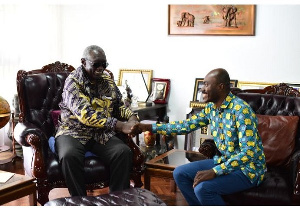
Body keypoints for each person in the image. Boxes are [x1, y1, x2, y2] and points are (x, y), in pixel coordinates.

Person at [131, 68, 266, 205]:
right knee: (179, 173)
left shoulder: (241, 110)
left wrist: (215, 171)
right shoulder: (211, 108)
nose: (202, 89)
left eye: (207, 84)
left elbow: (248, 153)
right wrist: (149, 127)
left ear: (220, 87)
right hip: (224, 161)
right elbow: (185, 126)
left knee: (203, 189)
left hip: (248, 169)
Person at [55, 45, 139, 196]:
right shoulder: (72, 82)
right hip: (72, 131)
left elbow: (118, 106)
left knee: (123, 152)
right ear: (83, 62)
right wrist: (120, 126)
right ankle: (80, 202)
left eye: (104, 64)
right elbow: (86, 115)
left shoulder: (107, 80)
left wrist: (131, 117)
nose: (101, 68)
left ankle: (117, 200)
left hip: (100, 132)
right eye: (96, 64)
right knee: (69, 156)